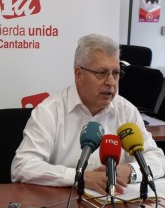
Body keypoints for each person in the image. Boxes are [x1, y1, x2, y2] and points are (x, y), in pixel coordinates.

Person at [11, 33, 165, 195]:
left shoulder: (126, 111)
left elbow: (157, 158)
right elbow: (22, 166)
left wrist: (130, 170)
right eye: (101, 72)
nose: (111, 82)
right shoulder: (50, 111)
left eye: (116, 73)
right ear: (79, 74)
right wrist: (79, 177)